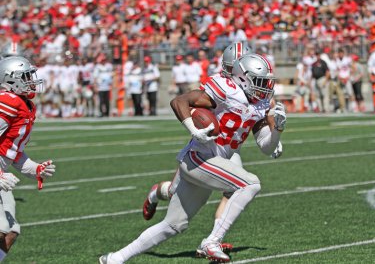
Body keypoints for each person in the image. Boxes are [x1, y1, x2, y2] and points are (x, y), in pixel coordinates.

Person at [100, 53, 285, 264]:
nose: (266, 86)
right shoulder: (226, 90)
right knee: (250, 184)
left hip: (215, 161)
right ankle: (212, 241)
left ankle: (115, 258)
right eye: (260, 81)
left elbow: (266, 146)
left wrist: (277, 130)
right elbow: (179, 101)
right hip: (200, 157)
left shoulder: (262, 103)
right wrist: (193, 130)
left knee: (173, 225)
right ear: (243, 78)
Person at [142, 42, 282, 256]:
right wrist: (194, 128)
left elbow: (262, 112)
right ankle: (156, 193)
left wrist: (273, 136)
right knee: (173, 193)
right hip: (207, 148)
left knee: (236, 188)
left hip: (230, 149)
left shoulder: (257, 90)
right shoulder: (223, 86)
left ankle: (212, 240)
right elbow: (191, 105)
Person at [0, 56, 56, 260]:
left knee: (11, 230)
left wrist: (34, 168)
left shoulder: (25, 105)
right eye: (25, 76)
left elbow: (12, 153)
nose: (31, 80)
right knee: (2, 227)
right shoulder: (7, 101)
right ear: (10, 79)